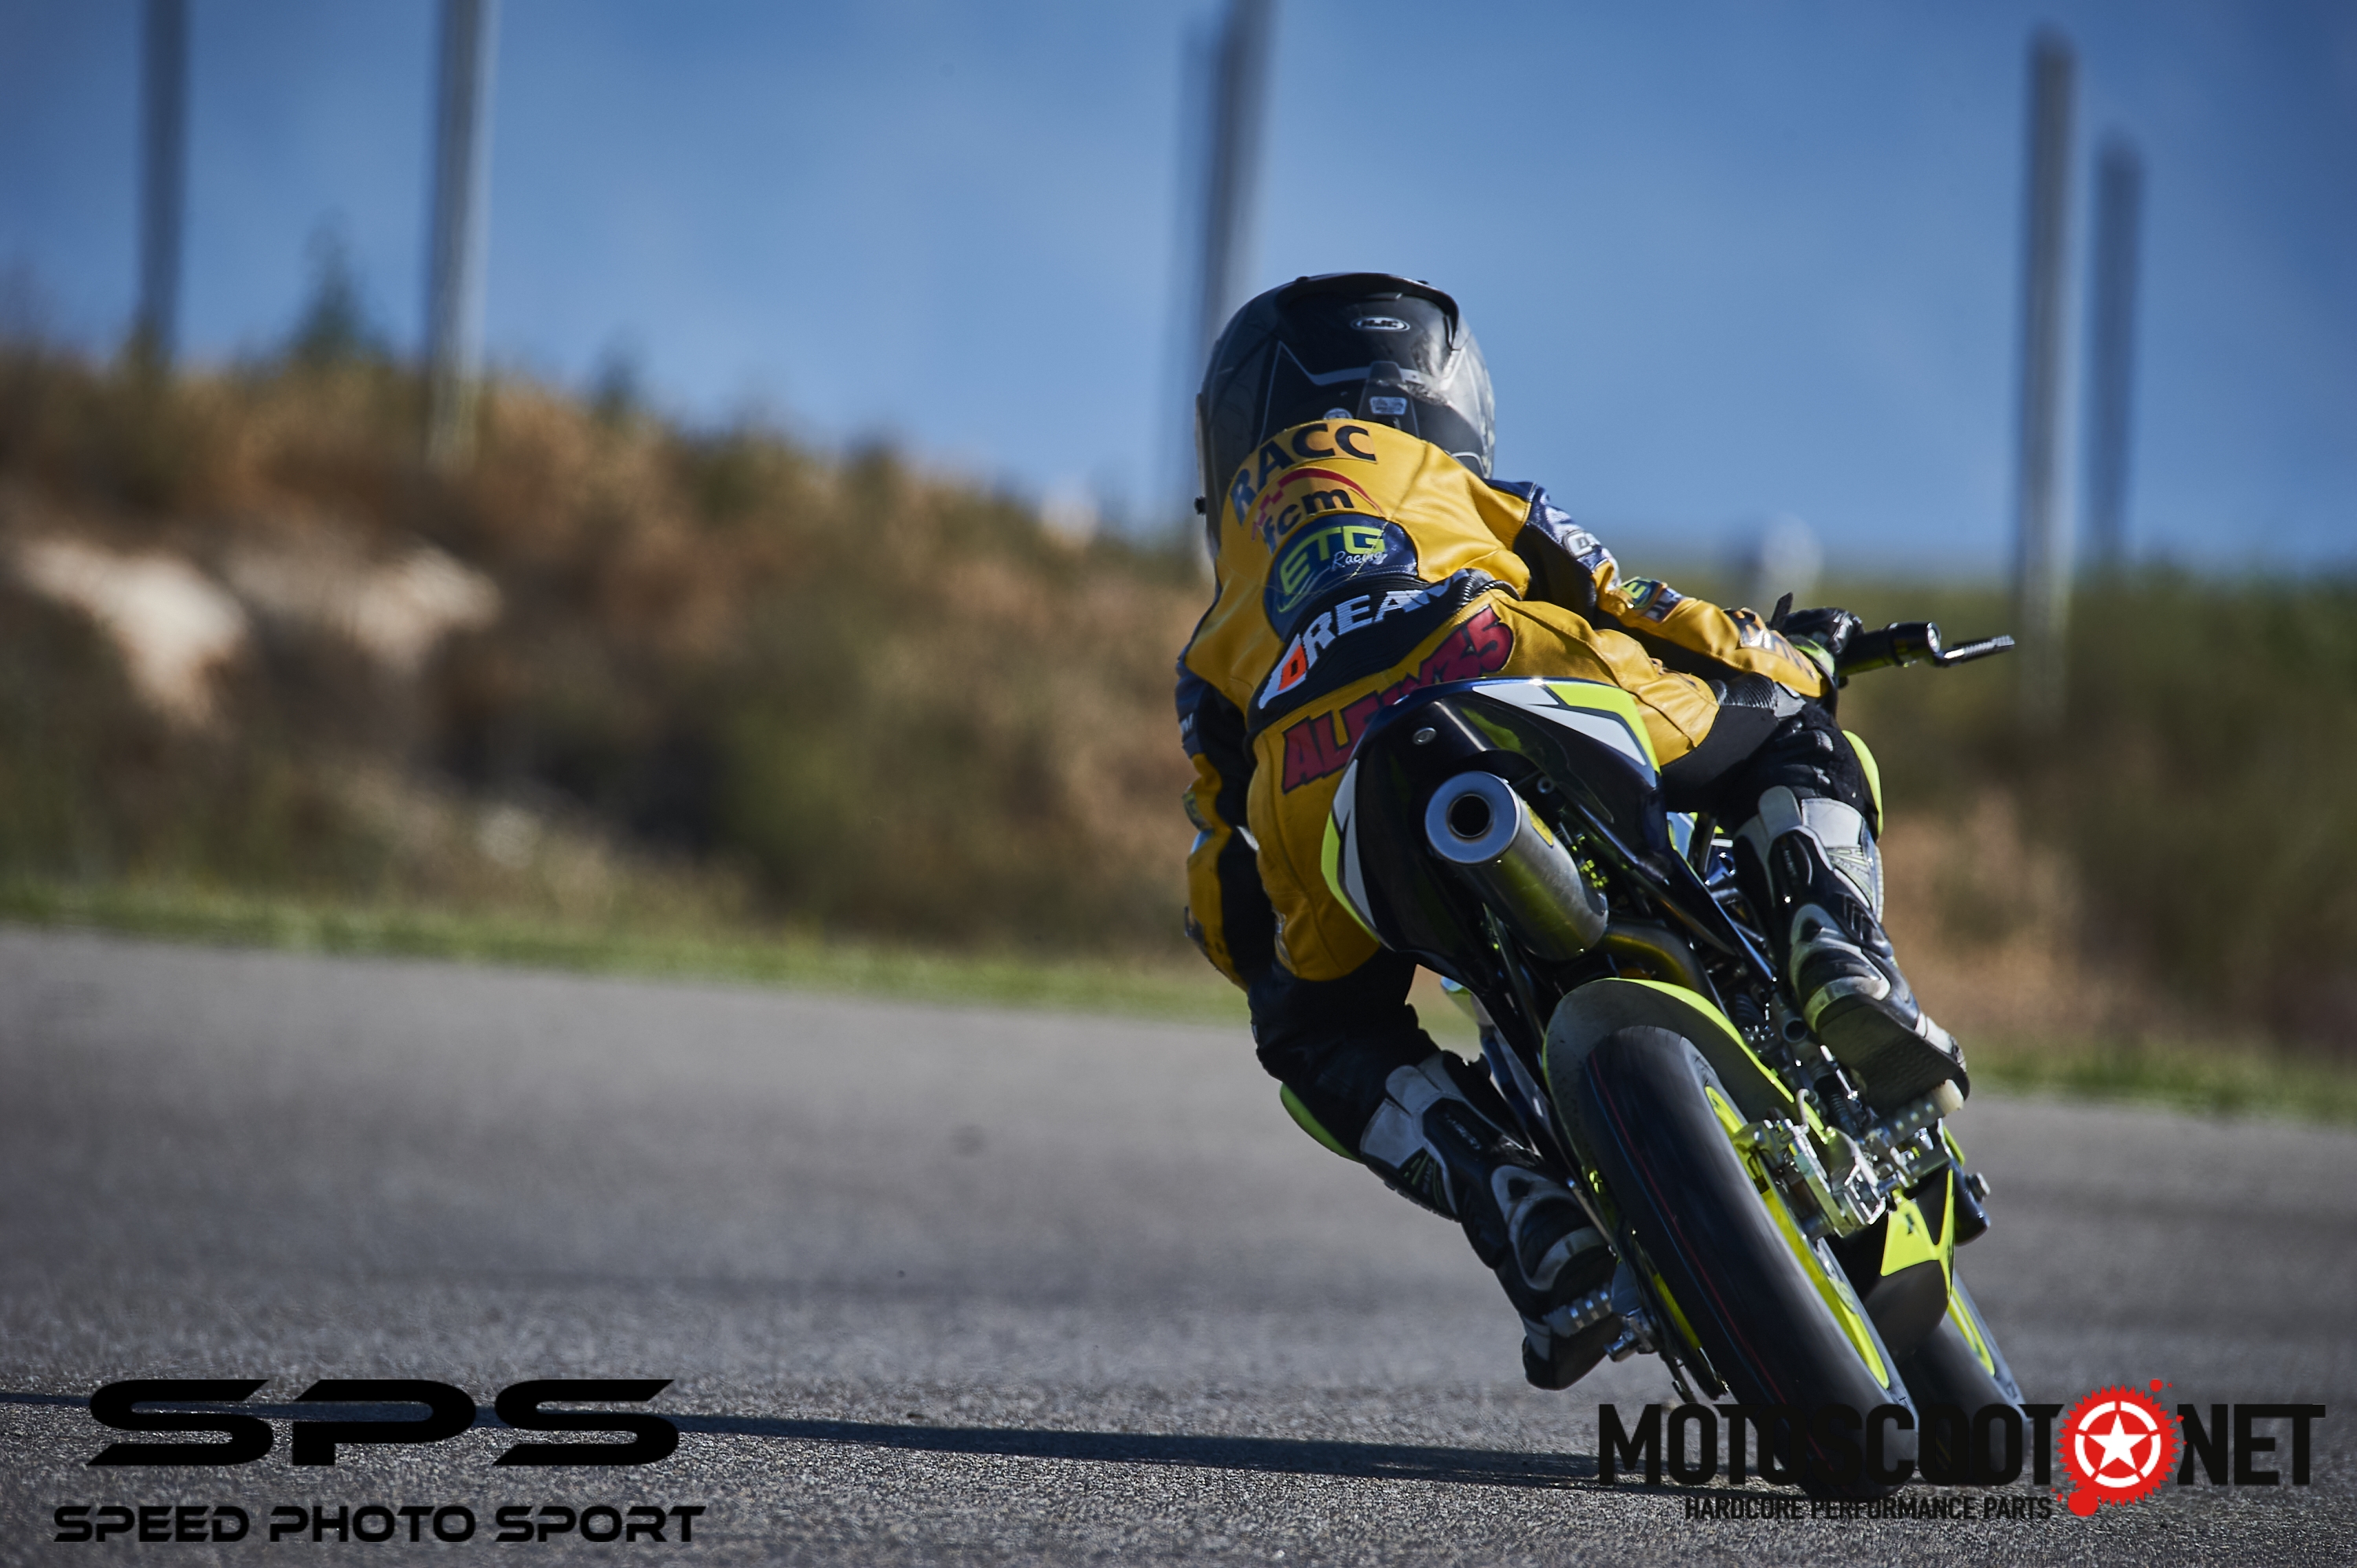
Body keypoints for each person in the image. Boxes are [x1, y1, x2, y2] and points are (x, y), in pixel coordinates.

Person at [1174, 273, 1967, 1390]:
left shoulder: (1218, 628)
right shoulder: (1455, 483)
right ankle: (1839, 957)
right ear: (1435, 396)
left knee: (1312, 1033)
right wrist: (1797, 659)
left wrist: (1263, 959)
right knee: (1797, 738)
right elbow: (1639, 605)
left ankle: (1514, 1205)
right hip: (1507, 661)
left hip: (1315, 772)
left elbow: (1223, 876)